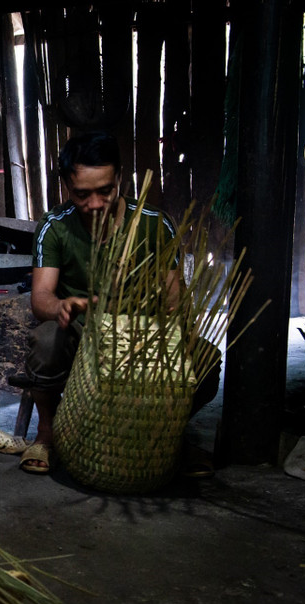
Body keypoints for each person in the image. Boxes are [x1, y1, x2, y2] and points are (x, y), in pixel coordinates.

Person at [19, 130, 220, 475]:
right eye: (82, 194)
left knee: (205, 360)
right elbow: (41, 298)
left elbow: (176, 299)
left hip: (142, 337)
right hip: (84, 333)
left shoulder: (155, 225)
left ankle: (165, 435)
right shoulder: (55, 226)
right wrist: (63, 307)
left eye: (105, 191)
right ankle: (47, 431)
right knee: (46, 340)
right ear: (67, 185)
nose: (95, 204)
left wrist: (174, 317)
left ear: (120, 179)